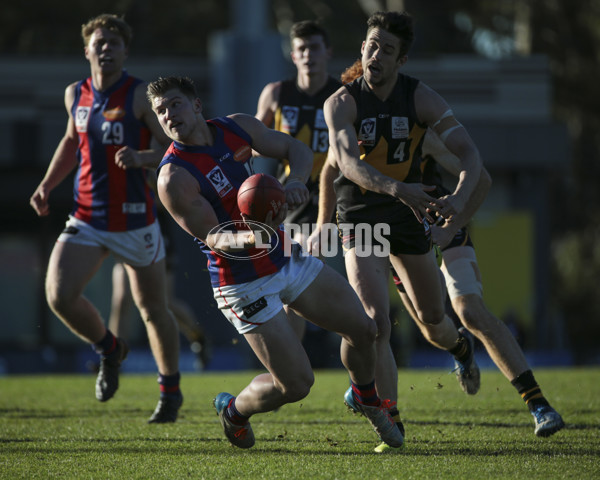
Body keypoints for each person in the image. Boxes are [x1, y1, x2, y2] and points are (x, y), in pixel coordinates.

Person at [313, 47, 565, 449]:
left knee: (468, 308)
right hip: (383, 228)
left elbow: (479, 178)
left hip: (439, 223)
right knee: (426, 326)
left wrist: (453, 226)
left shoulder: (418, 128)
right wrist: (323, 226)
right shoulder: (349, 120)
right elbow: (331, 170)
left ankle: (538, 404)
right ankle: (435, 365)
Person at [146, 75, 404, 450]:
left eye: (175, 104)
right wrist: (253, 235)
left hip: (283, 257)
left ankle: (364, 395)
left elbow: (294, 148)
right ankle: (234, 411)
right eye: (160, 111)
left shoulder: (237, 127)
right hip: (242, 283)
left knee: (366, 330)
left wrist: (297, 179)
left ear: (197, 105)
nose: (168, 115)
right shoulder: (173, 177)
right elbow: (214, 237)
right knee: (296, 385)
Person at [321, 10, 485, 452]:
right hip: (361, 215)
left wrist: (457, 199)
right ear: (362, 47)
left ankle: (461, 348)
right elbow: (348, 166)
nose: (376, 54)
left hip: (409, 214)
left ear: (402, 59)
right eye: (371, 45)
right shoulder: (341, 102)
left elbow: (471, 156)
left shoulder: (421, 98)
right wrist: (400, 189)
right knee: (374, 324)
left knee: (433, 318)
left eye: (387, 50)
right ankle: (388, 416)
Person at [29, 14, 182, 423]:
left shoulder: (136, 96)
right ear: (87, 50)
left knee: (152, 309)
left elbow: (173, 149)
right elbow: (69, 141)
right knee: (59, 294)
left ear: (125, 51)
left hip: (135, 221)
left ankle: (170, 391)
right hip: (88, 216)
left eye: (114, 43)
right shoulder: (73, 94)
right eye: (100, 42)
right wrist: (46, 185)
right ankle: (110, 349)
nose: (106, 48)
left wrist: (143, 157)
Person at [255, 20, 342, 340]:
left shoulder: (343, 96)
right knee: (290, 290)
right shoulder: (277, 94)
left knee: (350, 288)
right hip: (290, 199)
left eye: (315, 47)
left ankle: (359, 367)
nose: (309, 55)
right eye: (302, 49)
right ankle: (294, 366)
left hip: (337, 200)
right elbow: (250, 143)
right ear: (293, 55)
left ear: (327, 52)